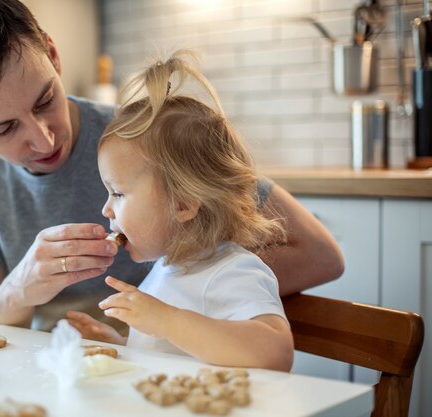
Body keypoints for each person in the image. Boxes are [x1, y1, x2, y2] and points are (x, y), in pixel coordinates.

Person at [0, 0, 343, 332]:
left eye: (46, 100)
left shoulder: (139, 142)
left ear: (53, 56)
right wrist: (22, 286)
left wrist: (177, 294)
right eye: (4, 129)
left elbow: (321, 256)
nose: (44, 139)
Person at [66, 51, 293, 370]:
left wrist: (167, 320)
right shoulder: (167, 268)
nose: (106, 209)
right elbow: (174, 356)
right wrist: (118, 344)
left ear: (183, 203)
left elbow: (276, 354)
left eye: (118, 193)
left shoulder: (232, 272)